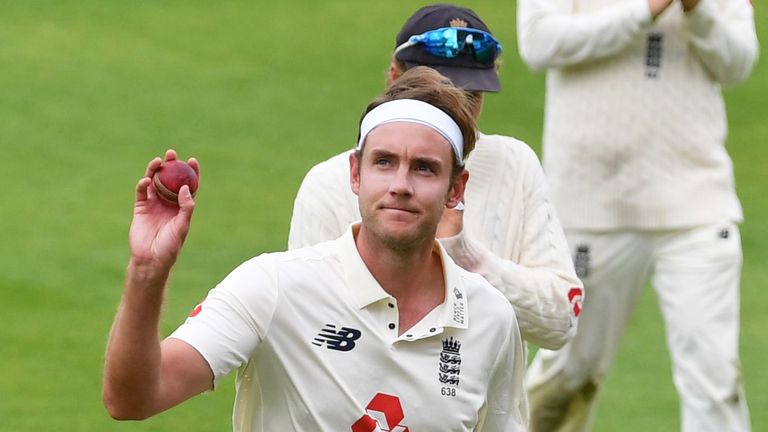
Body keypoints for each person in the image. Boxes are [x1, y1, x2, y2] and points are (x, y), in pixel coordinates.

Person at [102, 67, 528, 431]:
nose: (401, 184)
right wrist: (147, 270)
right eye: (384, 162)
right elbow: (133, 400)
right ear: (355, 174)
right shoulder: (272, 287)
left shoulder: (490, 319)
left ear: (456, 188)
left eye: (424, 168)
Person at [516, 0, 759, 430]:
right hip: (591, 205)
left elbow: (737, 63)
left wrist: (696, 11)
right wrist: (646, 9)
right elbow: (540, 43)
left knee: (715, 379)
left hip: (696, 206)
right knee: (568, 375)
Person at [289, 3, 583, 351]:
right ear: (394, 76)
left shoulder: (514, 164)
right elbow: (305, 324)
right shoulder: (327, 184)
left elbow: (561, 321)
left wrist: (468, 259)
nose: (455, 110)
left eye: (470, 96)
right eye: (439, 93)